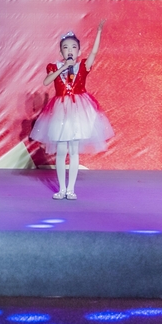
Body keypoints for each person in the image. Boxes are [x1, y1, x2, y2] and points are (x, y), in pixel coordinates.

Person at [30, 22, 113, 200]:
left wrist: (98, 32)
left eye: (74, 47)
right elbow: (46, 82)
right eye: (66, 47)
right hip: (60, 111)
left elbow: (94, 53)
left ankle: (71, 189)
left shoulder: (82, 66)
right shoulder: (53, 66)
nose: (70, 50)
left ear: (79, 51)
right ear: (61, 52)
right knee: (61, 151)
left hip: (78, 112)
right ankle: (61, 189)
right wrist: (63, 67)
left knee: (74, 150)